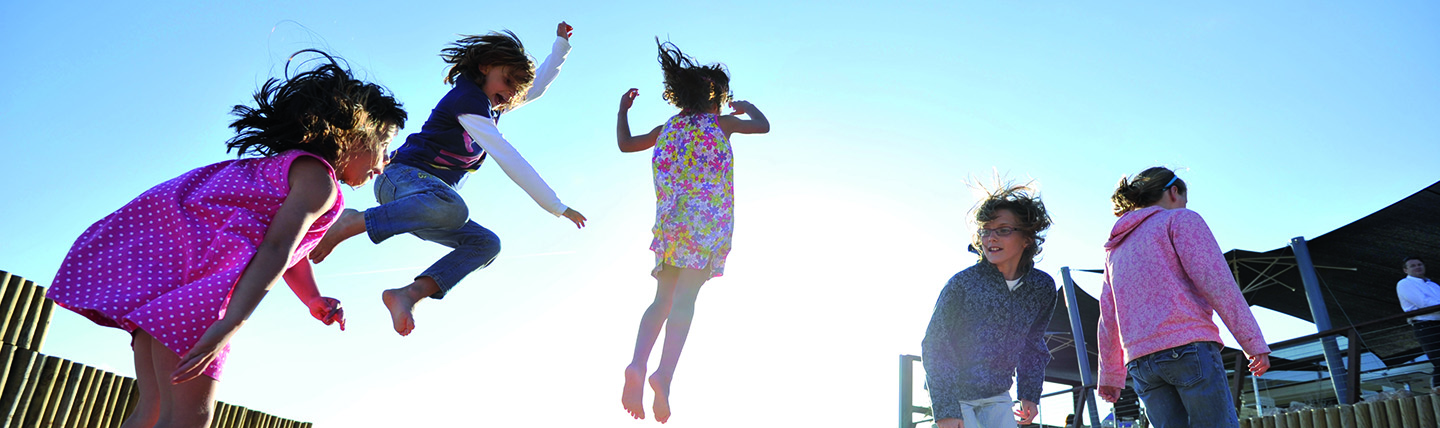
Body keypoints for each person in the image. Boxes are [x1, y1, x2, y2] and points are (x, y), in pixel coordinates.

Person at [46, 50, 406, 428]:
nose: (382, 165)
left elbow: (288, 250)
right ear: (354, 134)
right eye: (383, 147)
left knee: (150, 412)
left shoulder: (274, 170)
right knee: (188, 419)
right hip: (199, 302)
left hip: (168, 292)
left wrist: (312, 298)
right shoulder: (319, 180)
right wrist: (230, 322)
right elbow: (276, 248)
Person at [308, 22, 587, 336]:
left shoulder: (493, 103)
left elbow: (536, 87)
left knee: (486, 244)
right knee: (453, 207)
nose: (509, 95)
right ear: (484, 67)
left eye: (513, 90)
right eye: (507, 82)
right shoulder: (469, 101)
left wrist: (561, 46)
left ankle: (408, 294)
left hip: (425, 206)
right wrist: (556, 205)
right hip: (400, 180)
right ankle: (353, 222)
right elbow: (508, 156)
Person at [616, 39, 770, 424]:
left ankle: (637, 363)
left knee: (661, 300)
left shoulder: (666, 128)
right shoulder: (721, 124)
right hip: (706, 228)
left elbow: (625, 144)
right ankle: (663, 376)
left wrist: (622, 110)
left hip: (671, 226)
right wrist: (748, 108)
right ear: (716, 97)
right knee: (685, 301)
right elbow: (763, 127)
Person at [1096, 167, 1271, 428]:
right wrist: (1252, 342)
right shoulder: (1179, 220)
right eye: (1185, 200)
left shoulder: (1115, 249)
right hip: (1188, 348)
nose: (1184, 206)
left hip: (1140, 363)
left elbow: (1107, 315)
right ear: (1173, 191)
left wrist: (1110, 374)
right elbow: (1218, 284)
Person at [921, 183, 1056, 428]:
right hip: (956, 396)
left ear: (1026, 239)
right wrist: (947, 410)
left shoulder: (1042, 287)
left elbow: (1033, 343)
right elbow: (935, 344)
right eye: (985, 231)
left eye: (1003, 230)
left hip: (998, 397)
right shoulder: (962, 284)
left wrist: (1029, 393)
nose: (991, 238)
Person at [1396, 256, 1440, 388]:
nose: (1417, 267)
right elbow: (1424, 303)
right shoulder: (1404, 283)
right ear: (1405, 270)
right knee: (1439, 359)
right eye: (1413, 265)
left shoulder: (1433, 285)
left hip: (1437, 323)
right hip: (1425, 325)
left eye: (1419, 264)